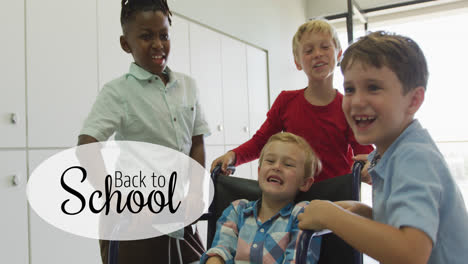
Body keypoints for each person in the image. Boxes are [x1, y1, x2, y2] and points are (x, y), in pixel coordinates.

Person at [297, 31, 468, 264]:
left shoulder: (413, 157)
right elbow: (402, 223)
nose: (357, 101)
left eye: (373, 87)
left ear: (414, 101)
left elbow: (410, 253)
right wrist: (363, 211)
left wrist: (331, 217)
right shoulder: (388, 152)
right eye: (350, 89)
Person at [78, 0, 210, 263]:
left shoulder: (188, 86)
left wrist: (195, 191)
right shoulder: (118, 92)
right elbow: (87, 146)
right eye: (146, 36)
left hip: (178, 212)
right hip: (133, 220)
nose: (158, 44)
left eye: (163, 35)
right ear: (126, 44)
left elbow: (197, 142)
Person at [210, 19, 373, 183]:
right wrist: (232, 156)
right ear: (298, 62)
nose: (317, 54)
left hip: (336, 197)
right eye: (308, 51)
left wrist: (370, 166)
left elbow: (364, 153)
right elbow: (261, 142)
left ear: (338, 54)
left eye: (325, 47)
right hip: (293, 195)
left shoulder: (349, 106)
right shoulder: (286, 101)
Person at [201, 132, 322, 264]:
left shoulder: (301, 215)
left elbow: (297, 260)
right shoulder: (237, 210)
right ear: (259, 172)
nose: (276, 167)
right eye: (270, 161)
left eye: (288, 164)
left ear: (304, 183)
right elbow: (221, 250)